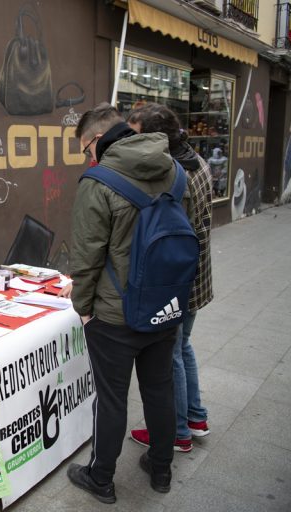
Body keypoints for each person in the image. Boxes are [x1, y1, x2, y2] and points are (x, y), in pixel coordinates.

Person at [66, 102, 190, 503]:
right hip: (164, 305)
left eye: (86, 148)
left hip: (114, 315)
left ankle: (101, 477)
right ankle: (161, 468)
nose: (87, 156)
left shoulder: (97, 181)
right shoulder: (174, 171)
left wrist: (83, 308)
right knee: (159, 389)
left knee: (111, 399)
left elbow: (86, 257)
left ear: (99, 139)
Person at [127, 103, 212, 453]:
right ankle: (195, 417)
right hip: (197, 275)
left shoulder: (174, 174)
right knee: (184, 346)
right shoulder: (198, 160)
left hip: (178, 279)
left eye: (135, 136)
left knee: (170, 355)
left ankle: (177, 432)